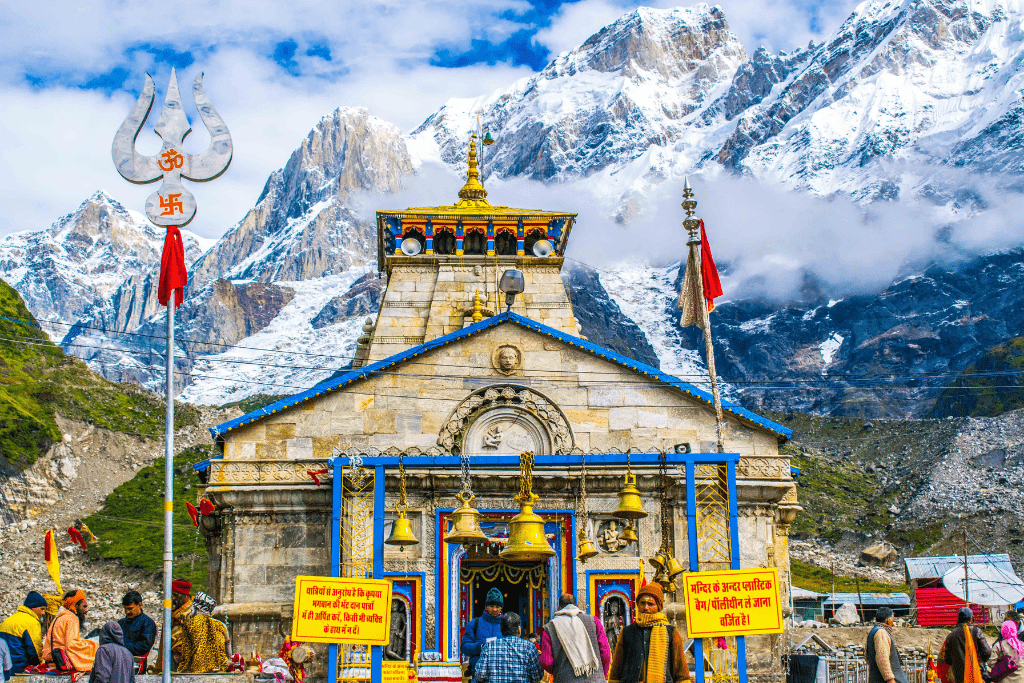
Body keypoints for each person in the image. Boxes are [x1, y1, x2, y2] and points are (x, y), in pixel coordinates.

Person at [607, 583, 690, 683]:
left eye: (651, 604)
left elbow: (681, 671)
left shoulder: (671, 632)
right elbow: (617, 669)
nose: (646, 607)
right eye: (642, 603)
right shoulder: (627, 632)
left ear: (658, 606)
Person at [540, 593, 610, 683]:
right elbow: (606, 654)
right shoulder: (594, 621)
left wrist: (560, 671)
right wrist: (600, 674)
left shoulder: (550, 627)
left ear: (558, 608)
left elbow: (546, 662)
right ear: (577, 606)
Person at [169, 580, 228, 673]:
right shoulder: (172, 609)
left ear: (184, 595)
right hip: (173, 651)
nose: (173, 598)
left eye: (176, 595)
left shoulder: (195, 613)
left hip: (190, 657)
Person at [473, 612, 542, 683]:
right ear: (519, 629)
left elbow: (480, 675)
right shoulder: (530, 647)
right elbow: (537, 676)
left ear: (501, 629)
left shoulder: (488, 647)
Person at [42, 589, 98, 672]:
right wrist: (93, 645)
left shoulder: (59, 617)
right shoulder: (72, 618)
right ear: (75, 606)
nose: (86, 610)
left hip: (51, 657)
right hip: (60, 659)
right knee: (95, 648)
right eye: (84, 606)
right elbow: (71, 645)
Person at [461, 588, 505, 682]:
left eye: (497, 606)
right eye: (491, 606)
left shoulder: (506, 625)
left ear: (501, 607)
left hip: (501, 675)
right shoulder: (474, 624)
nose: (494, 609)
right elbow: (464, 647)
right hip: (478, 675)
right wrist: (480, 647)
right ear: (486, 606)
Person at [941, 606, 991, 683]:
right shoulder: (976, 631)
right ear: (971, 619)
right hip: (976, 673)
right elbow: (987, 652)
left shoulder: (951, 635)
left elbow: (947, 659)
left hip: (959, 676)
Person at [0, 591, 46, 674]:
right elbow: (35, 649)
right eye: (42, 609)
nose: (43, 613)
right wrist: (40, 666)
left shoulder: (10, 619)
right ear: (33, 607)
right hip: (19, 667)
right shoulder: (32, 622)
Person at [865, 606, 908, 683]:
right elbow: (882, 658)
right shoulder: (881, 632)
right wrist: (890, 679)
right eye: (893, 618)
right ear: (888, 620)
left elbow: (867, 657)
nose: (893, 622)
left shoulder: (874, 631)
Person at [117, 591, 156, 659]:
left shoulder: (147, 623)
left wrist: (121, 647)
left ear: (139, 605)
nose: (127, 612)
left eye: (130, 608)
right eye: (125, 609)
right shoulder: (120, 623)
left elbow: (144, 646)